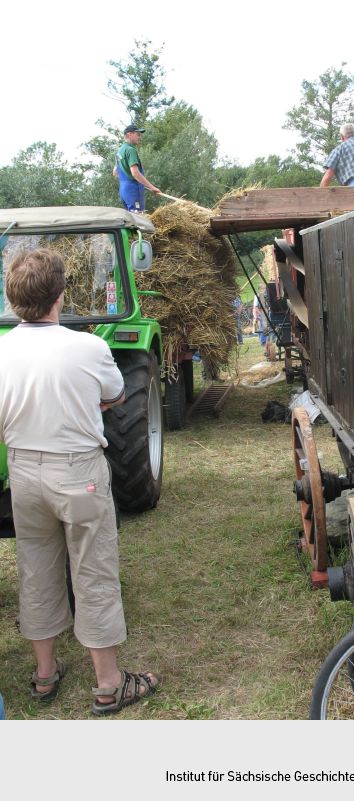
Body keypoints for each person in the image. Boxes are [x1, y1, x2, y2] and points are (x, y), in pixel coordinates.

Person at [0, 249, 158, 715]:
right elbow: (114, 395)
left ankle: (45, 674)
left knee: (36, 566)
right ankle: (108, 683)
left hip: (23, 471)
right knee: (93, 570)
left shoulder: (2, 347)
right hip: (78, 470)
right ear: (59, 295)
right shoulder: (88, 347)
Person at [113, 124, 161, 212]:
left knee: (130, 221)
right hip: (133, 190)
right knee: (138, 221)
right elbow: (135, 173)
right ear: (129, 134)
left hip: (124, 191)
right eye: (138, 134)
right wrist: (152, 187)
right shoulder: (130, 150)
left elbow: (115, 173)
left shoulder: (119, 151)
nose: (140, 137)